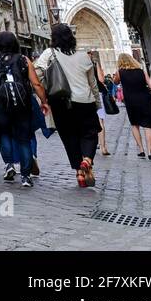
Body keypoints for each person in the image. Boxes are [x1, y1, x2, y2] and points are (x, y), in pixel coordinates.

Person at [35, 24, 102, 187]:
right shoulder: (83, 56)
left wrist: (45, 95)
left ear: (53, 38)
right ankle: (86, 159)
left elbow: (37, 74)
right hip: (85, 101)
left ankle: (79, 173)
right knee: (90, 133)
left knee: (69, 136)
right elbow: (92, 83)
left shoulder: (48, 54)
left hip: (60, 102)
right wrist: (97, 103)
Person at [0, 30, 49, 188]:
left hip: (0, 105)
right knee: (24, 139)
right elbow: (36, 84)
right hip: (22, 105)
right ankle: (25, 176)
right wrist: (44, 101)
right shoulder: (24, 59)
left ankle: (9, 165)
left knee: (4, 135)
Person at [116, 53, 151, 159]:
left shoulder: (120, 72)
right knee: (147, 126)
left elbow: (116, 81)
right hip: (144, 99)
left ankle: (141, 150)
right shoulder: (141, 71)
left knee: (135, 124)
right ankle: (150, 152)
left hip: (131, 101)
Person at [90, 51, 113, 157]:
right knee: (100, 121)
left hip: (85, 94)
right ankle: (103, 147)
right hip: (97, 93)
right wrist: (97, 64)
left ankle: (92, 145)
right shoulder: (94, 64)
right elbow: (101, 79)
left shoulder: (78, 65)